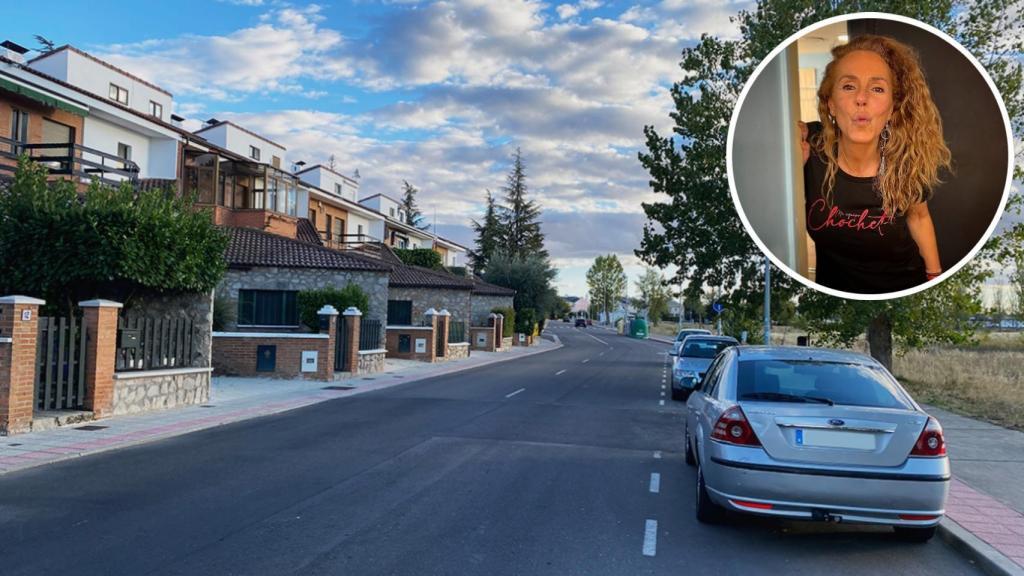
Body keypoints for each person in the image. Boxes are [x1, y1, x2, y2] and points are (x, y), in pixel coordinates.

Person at [799, 34, 951, 294]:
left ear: (892, 108)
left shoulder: (906, 160)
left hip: (905, 286)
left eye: (877, 88)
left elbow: (919, 216)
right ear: (831, 104)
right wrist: (780, 152)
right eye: (848, 86)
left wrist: (934, 279)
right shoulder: (805, 148)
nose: (862, 99)